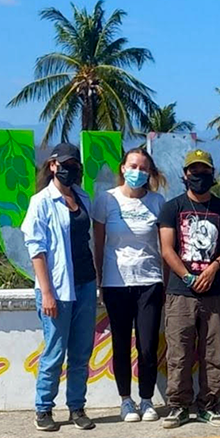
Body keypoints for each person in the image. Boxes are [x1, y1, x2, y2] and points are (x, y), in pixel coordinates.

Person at [22, 142, 97, 431]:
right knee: (54, 351)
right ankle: (44, 408)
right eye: (63, 164)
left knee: (81, 351)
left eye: (73, 165)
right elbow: (36, 250)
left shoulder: (83, 197)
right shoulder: (41, 202)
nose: (68, 169)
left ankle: (77, 406)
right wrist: (47, 293)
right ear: (52, 165)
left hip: (86, 283)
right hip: (56, 288)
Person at [158, 149, 220, 429]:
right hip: (181, 293)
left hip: (216, 293)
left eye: (204, 172)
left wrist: (213, 268)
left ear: (212, 175)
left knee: (214, 354)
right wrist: (189, 277)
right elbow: (167, 249)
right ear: (185, 175)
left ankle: (210, 406)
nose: (199, 176)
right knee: (179, 353)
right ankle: (178, 406)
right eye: (194, 171)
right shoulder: (172, 207)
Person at [92, 148, 166, 423]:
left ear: (150, 173)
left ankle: (146, 399)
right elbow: (98, 243)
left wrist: (166, 283)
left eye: (144, 168)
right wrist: (100, 280)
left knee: (147, 345)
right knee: (121, 344)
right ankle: (126, 400)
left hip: (149, 282)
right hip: (116, 282)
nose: (138, 172)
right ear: (123, 168)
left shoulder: (158, 202)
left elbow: (164, 246)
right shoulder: (106, 200)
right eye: (133, 166)